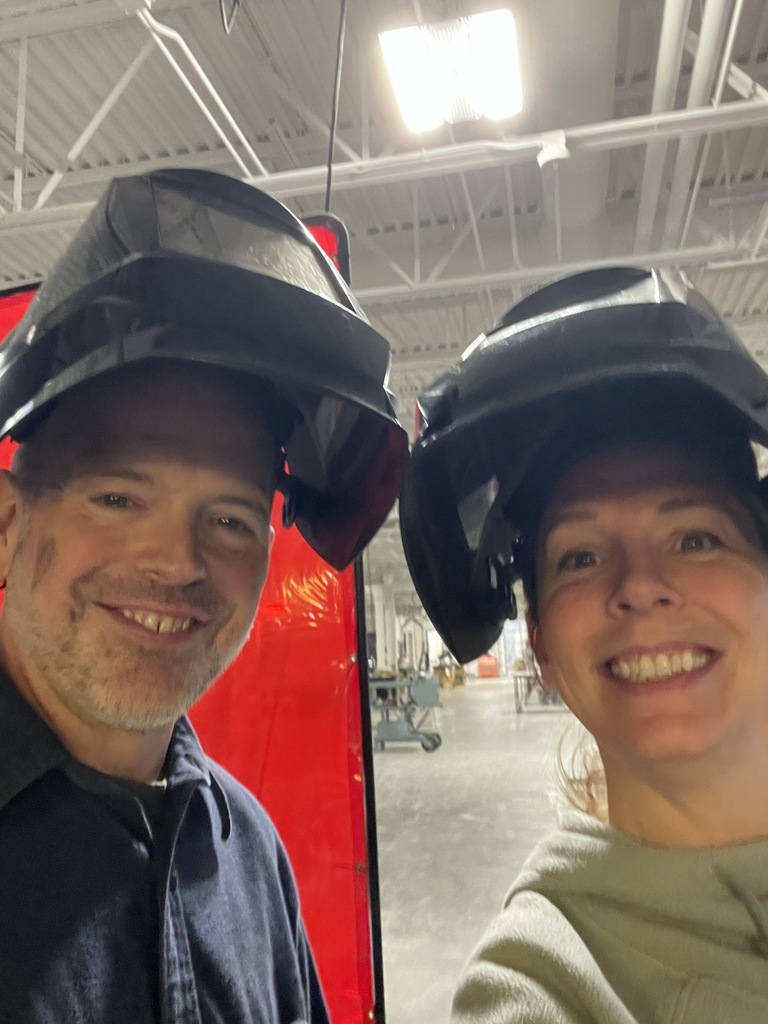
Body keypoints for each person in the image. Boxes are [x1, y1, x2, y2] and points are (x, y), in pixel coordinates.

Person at [0, 168, 407, 1023]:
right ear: (7, 523)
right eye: (117, 499)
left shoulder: (247, 853)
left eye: (228, 520)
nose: (177, 564)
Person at [399, 266, 768, 1022]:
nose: (639, 585)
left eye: (695, 538)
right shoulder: (544, 980)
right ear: (540, 645)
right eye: (580, 557)